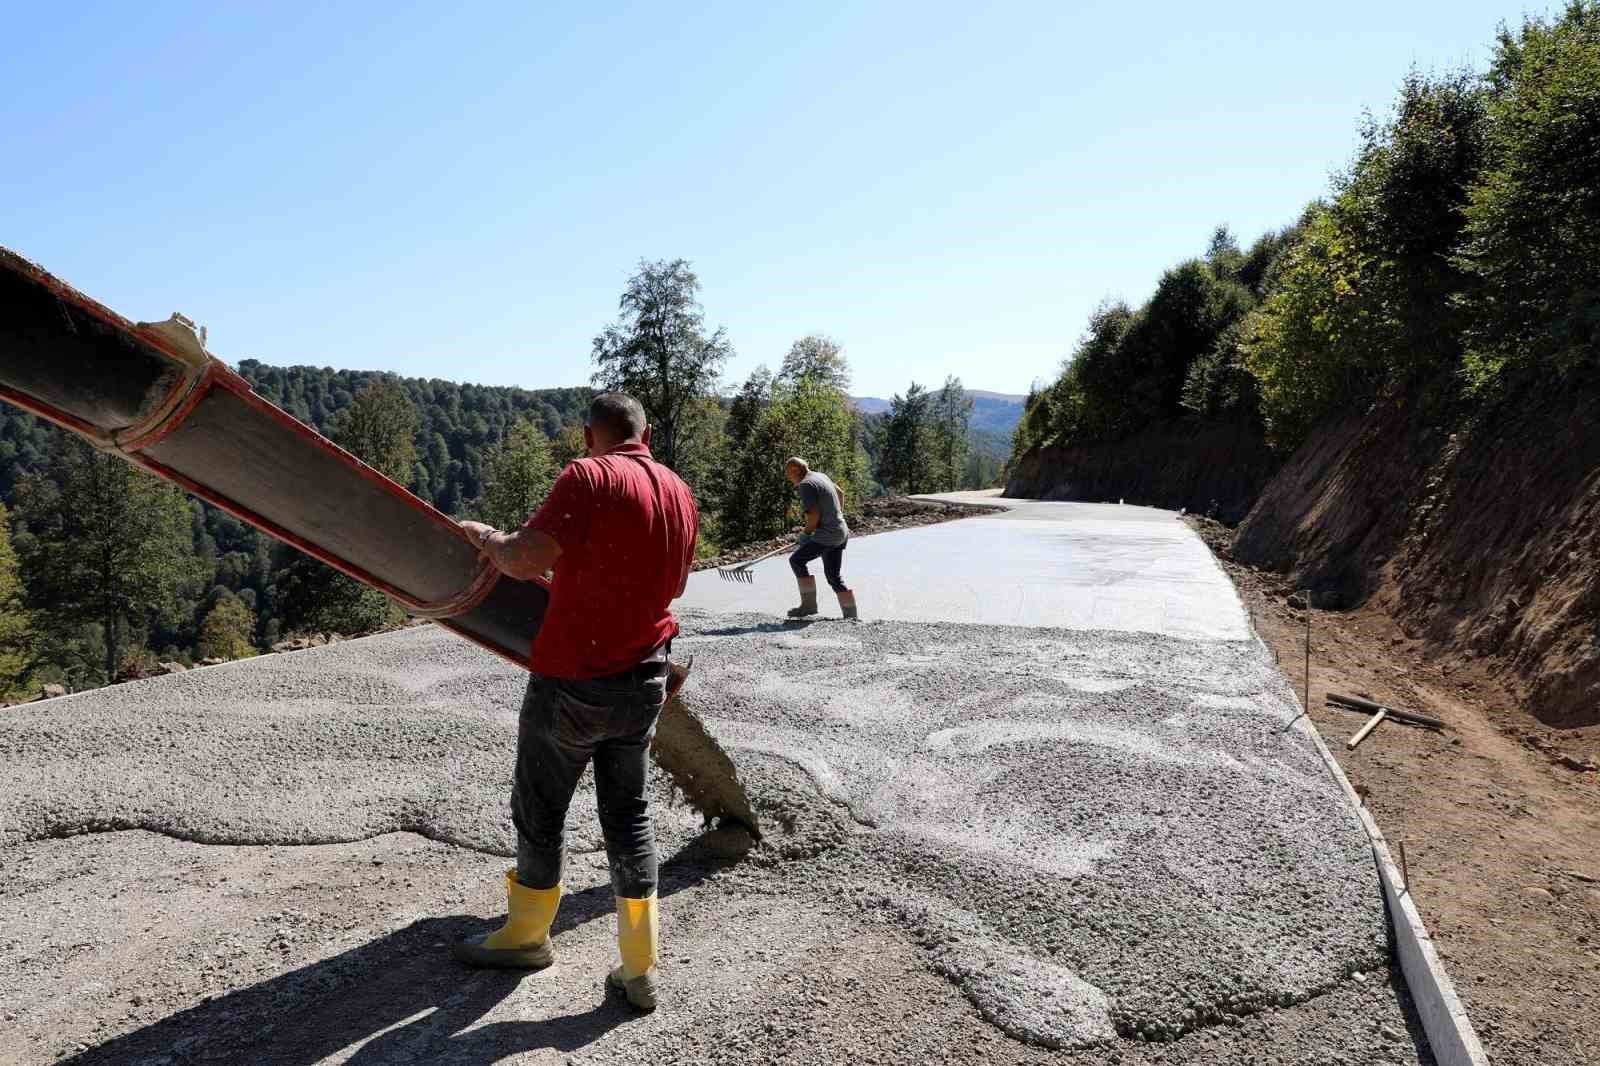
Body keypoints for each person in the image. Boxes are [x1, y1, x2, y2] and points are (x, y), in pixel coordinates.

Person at [453, 393, 698, 1014]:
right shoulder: (677, 489)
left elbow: (523, 558)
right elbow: (675, 583)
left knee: (540, 807)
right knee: (629, 814)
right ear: (643, 433)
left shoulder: (588, 475)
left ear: (591, 433)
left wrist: (486, 537)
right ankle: (640, 966)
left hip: (574, 679)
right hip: (646, 674)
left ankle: (526, 936)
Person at [782, 456, 857, 620]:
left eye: (789, 474)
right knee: (833, 576)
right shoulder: (820, 476)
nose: (789, 478)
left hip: (828, 535)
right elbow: (840, 492)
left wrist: (806, 534)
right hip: (841, 531)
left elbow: (814, 515)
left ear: (795, 470)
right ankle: (851, 616)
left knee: (796, 560)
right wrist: (836, 516)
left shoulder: (806, 485)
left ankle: (808, 606)